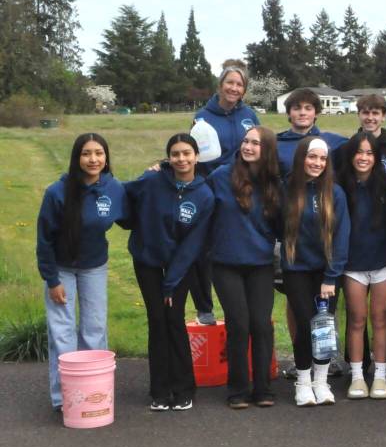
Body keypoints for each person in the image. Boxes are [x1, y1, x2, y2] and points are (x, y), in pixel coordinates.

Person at [36, 133, 127, 411]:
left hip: (94, 267)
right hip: (60, 269)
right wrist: (52, 280)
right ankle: (64, 399)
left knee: (94, 330)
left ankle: (93, 392)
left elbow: (132, 212)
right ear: (77, 158)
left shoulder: (114, 189)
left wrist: (159, 170)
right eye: (86, 153)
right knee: (62, 333)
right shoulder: (56, 193)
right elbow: (44, 240)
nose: (93, 159)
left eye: (99, 153)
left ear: (106, 157)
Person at [124, 134, 214, 412]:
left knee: (174, 320)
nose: (181, 159)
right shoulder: (152, 181)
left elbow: (193, 245)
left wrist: (170, 283)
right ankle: (160, 391)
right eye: (175, 154)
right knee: (156, 320)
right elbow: (124, 194)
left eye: (187, 153)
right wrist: (131, 224)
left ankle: (184, 388)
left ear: (196, 156)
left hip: (180, 266)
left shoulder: (204, 195)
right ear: (168, 158)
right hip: (148, 261)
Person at [207, 126, 281, 409]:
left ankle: (262, 387)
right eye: (246, 141)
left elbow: (282, 226)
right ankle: (238, 389)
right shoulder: (220, 177)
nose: (248, 147)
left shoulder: (274, 184)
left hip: (260, 263)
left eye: (256, 143)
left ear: (267, 150)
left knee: (261, 325)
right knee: (238, 324)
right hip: (225, 262)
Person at [189, 60, 262, 325]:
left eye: (239, 84)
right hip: (211, 187)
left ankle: (245, 300)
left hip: (244, 187)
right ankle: (204, 308)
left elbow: (259, 146)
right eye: (229, 82)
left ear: (244, 90)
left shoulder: (249, 116)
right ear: (220, 85)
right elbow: (196, 154)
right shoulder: (203, 116)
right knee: (204, 246)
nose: (234, 88)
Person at [281, 137, 351, 406]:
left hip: (327, 275)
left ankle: (321, 382)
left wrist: (331, 277)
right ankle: (303, 382)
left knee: (322, 328)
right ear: (301, 158)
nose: (317, 163)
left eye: (323, 159)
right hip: (296, 269)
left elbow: (342, 236)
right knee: (303, 324)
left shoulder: (335, 193)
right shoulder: (286, 188)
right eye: (312, 157)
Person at [336, 132, 386, 400]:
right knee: (357, 319)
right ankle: (358, 376)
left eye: (369, 153)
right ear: (351, 156)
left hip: (383, 261)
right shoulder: (340, 186)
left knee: (380, 318)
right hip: (352, 264)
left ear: (376, 157)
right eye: (359, 152)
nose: (364, 157)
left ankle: (381, 377)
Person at [277, 88, 347, 177]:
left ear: (316, 113)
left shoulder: (336, 142)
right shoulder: (276, 144)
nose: (302, 113)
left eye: (308, 108)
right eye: (297, 108)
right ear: (288, 113)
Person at [348, 93, 386, 172]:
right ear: (358, 115)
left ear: (383, 117)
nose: (370, 118)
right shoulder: (350, 145)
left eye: (375, 113)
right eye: (365, 113)